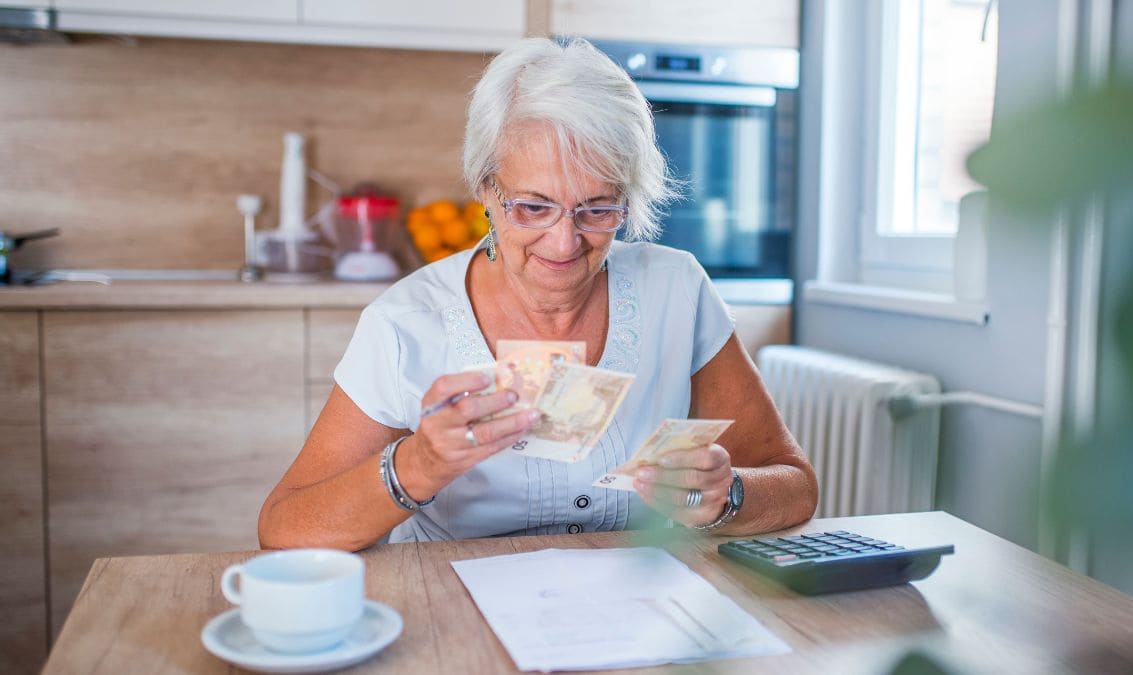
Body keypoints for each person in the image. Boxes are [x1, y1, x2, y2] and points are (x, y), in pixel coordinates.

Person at [258, 37, 818, 551]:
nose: (564, 240)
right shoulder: (405, 322)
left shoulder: (678, 288)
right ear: (485, 189)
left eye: (598, 208)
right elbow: (283, 528)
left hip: (631, 604)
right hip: (457, 611)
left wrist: (726, 494)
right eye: (533, 206)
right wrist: (417, 465)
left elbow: (794, 485)